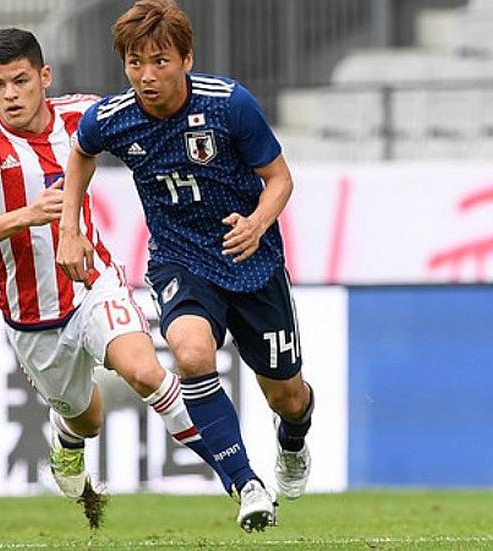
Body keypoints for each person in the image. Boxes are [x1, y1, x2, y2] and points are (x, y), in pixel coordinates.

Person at [56, 0, 314, 533]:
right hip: (181, 260)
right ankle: (246, 485)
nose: (147, 76)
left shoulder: (230, 105)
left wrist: (258, 223)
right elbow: (80, 151)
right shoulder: (113, 117)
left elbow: (280, 179)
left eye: (160, 61)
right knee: (192, 354)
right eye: (134, 63)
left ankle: (292, 441)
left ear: (186, 59)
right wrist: (70, 227)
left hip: (251, 259)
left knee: (287, 395)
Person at [0, 27, 231, 502]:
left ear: (44, 76)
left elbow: (152, 120)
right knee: (87, 418)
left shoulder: (83, 114)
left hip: (93, 281)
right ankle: (67, 434)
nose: (11, 95)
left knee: (146, 372)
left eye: (21, 81)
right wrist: (28, 215)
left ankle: (237, 476)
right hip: (33, 314)